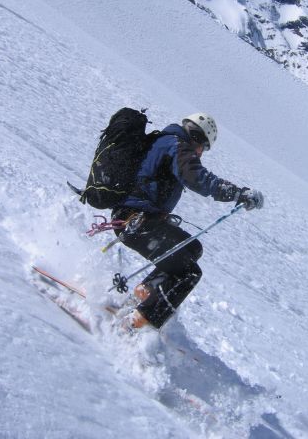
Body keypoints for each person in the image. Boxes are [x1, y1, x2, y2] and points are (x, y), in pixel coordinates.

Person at [112, 113, 263, 330]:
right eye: (204, 147)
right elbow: (197, 178)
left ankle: (144, 294)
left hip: (140, 219)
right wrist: (238, 194)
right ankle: (137, 324)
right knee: (188, 273)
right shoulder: (178, 146)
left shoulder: (168, 141)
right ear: (196, 137)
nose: (202, 153)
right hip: (135, 221)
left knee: (192, 248)